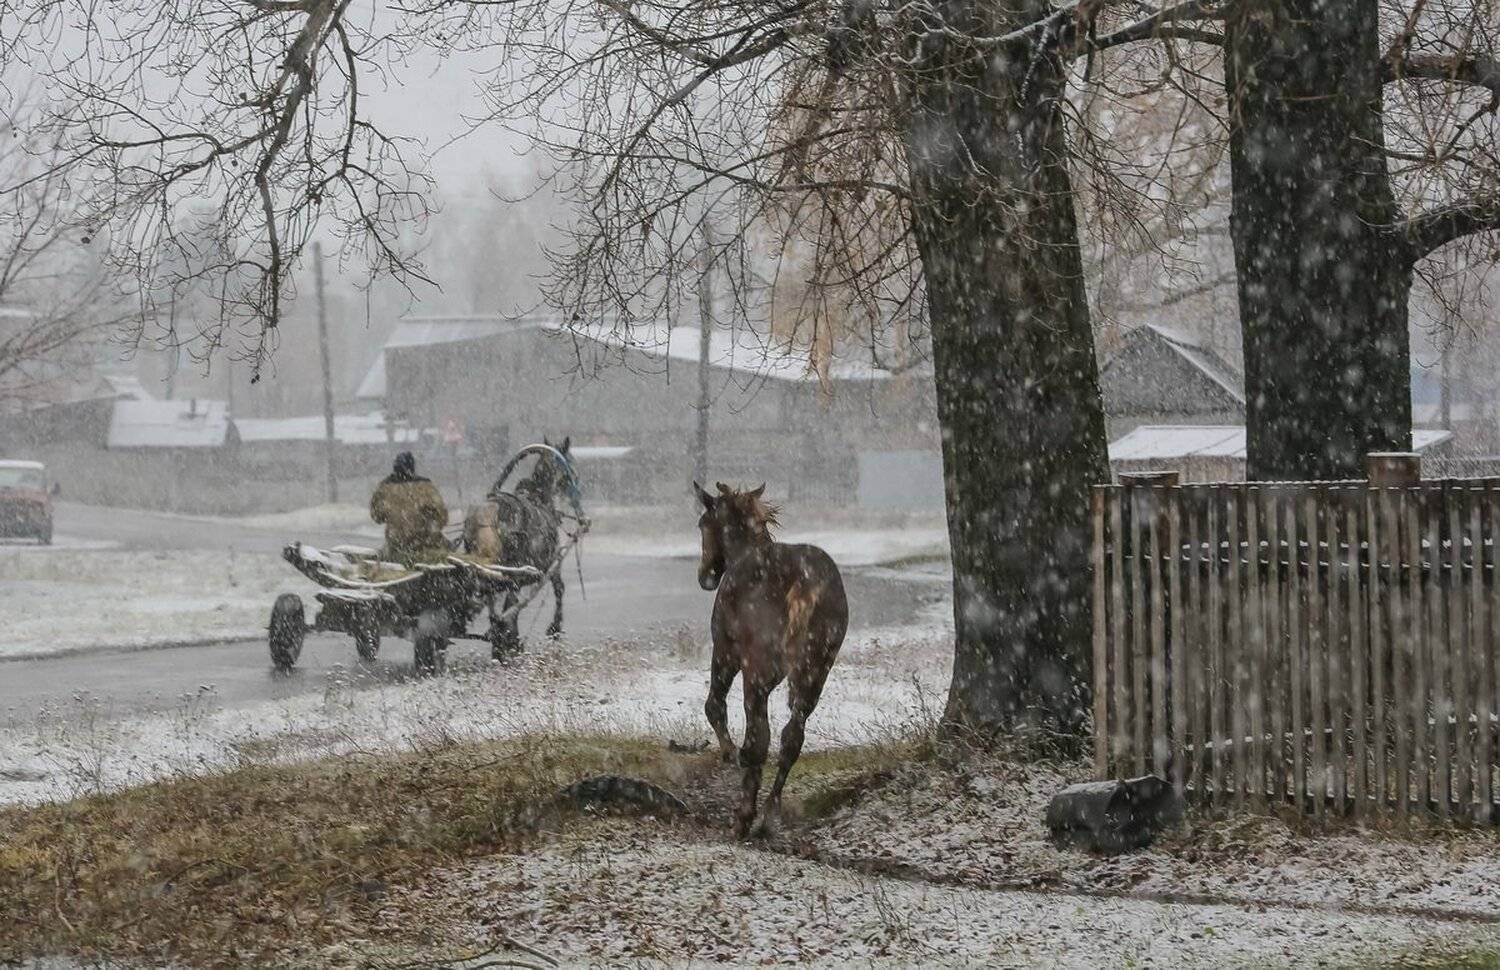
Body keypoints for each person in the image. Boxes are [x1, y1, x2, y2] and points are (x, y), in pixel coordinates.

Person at [369, 451, 450, 563]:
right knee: (447, 549)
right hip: (427, 546)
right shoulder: (427, 487)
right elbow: (443, 518)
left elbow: (376, 517)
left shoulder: (384, 488)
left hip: (396, 546)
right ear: (412, 468)